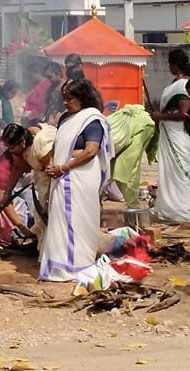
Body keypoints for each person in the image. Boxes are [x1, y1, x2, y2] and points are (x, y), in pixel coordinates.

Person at [39, 79, 110, 282]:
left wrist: (63, 167)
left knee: (79, 219)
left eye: (69, 98)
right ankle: (60, 263)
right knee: (60, 219)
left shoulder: (92, 120)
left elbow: (91, 150)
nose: (65, 102)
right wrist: (53, 164)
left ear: (82, 98)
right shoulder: (65, 119)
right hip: (61, 176)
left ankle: (79, 264)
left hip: (80, 177)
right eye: (64, 98)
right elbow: (58, 145)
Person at [149, 51, 190, 224]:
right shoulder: (178, 84)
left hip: (179, 135)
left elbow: (183, 114)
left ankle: (182, 211)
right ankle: (170, 209)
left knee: (180, 174)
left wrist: (160, 116)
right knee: (171, 174)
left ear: (173, 64)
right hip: (172, 134)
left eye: (168, 63)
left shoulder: (183, 85)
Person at [105, 102, 155, 209]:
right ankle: (132, 206)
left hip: (142, 127)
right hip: (140, 124)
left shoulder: (104, 133)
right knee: (119, 168)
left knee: (127, 167)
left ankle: (133, 208)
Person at [20, 59, 55, 125]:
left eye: (31, 75)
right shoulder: (39, 85)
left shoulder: (44, 85)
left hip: (34, 120)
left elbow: (41, 106)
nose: (29, 77)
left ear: (37, 72)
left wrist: (29, 117)